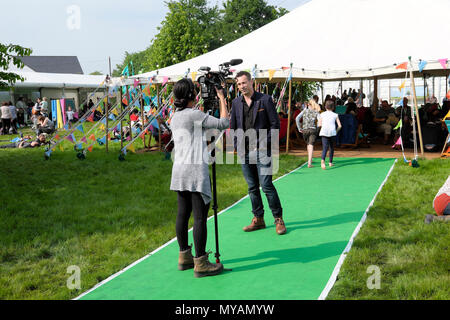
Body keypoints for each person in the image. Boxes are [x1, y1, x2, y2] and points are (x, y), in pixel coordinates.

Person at [170, 78, 229, 278]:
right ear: (190, 96)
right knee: (200, 217)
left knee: (182, 214)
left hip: (179, 171)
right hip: (195, 172)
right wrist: (222, 98)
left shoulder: (175, 116)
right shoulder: (194, 114)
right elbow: (223, 123)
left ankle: (184, 257)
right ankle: (201, 262)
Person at [230, 71, 286, 235]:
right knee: (252, 187)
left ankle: (278, 219)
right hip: (245, 152)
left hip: (263, 151)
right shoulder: (235, 103)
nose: (241, 86)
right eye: (239, 84)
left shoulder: (265, 100)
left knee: (266, 185)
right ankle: (258, 219)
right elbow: (233, 127)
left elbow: (275, 125)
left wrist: (263, 143)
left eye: (244, 83)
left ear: (251, 82)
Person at [295, 98, 321, 168]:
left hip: (305, 130)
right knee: (311, 144)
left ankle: (310, 159)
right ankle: (309, 161)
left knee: (308, 144)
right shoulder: (316, 112)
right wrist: (317, 129)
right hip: (313, 129)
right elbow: (320, 121)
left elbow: (297, 118)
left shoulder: (304, 111)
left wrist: (299, 128)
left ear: (308, 104)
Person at [318, 100, 342, 170]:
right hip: (332, 132)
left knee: (325, 147)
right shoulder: (335, 115)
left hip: (324, 132)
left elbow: (319, 125)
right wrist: (336, 131)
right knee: (331, 147)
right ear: (333, 107)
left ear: (325, 106)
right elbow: (340, 126)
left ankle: (322, 161)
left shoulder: (321, 114)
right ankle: (330, 162)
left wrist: (321, 130)